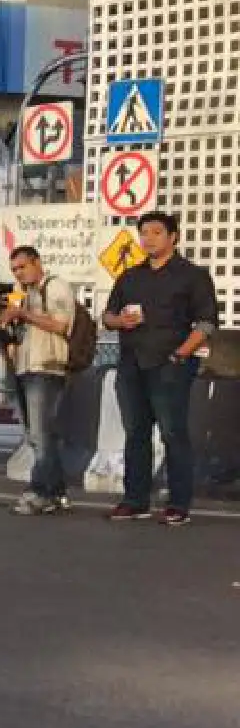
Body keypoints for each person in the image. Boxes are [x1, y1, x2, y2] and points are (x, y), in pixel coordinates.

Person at [101, 211, 219, 525]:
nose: (148, 239)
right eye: (144, 233)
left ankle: (178, 503)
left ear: (173, 237)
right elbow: (107, 316)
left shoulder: (192, 275)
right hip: (131, 364)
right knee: (135, 433)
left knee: (172, 434)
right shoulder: (130, 277)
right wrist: (119, 320)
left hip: (171, 365)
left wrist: (181, 355)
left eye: (155, 232)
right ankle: (135, 499)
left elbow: (206, 322)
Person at [0, 246, 78, 515]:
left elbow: (60, 324)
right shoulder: (25, 296)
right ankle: (56, 491)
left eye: (22, 267)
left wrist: (23, 314)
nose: (19, 273)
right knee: (38, 436)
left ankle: (39, 492)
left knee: (41, 434)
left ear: (36, 262)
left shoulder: (55, 287)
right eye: (15, 270)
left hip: (47, 367)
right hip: (26, 366)